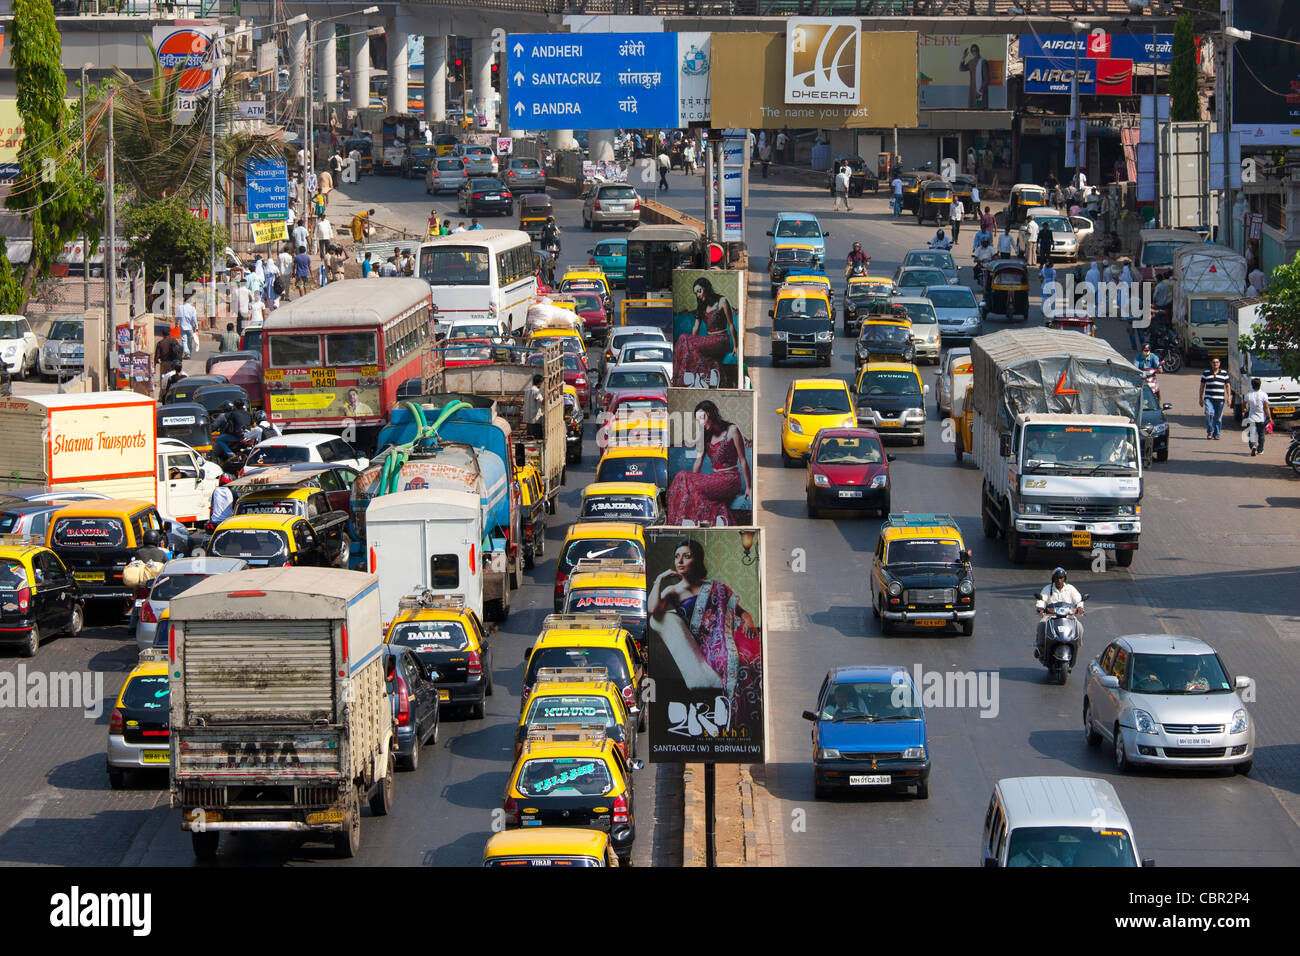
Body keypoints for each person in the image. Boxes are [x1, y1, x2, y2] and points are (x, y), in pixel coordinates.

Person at [648, 539, 761, 726]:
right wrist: (659, 580)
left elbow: (741, 612)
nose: (680, 561)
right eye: (677, 557)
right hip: (710, 643)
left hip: (733, 632)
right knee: (731, 660)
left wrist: (748, 621)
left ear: (697, 560)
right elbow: (653, 610)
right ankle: (738, 718)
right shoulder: (673, 591)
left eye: (686, 556)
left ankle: (757, 716)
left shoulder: (716, 586)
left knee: (755, 656)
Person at [666, 400, 752, 526]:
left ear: (711, 414)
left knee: (684, 477)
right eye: (698, 420)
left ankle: (683, 522)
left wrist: (749, 487)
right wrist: (693, 482)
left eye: (703, 418)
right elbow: (699, 460)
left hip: (730, 479)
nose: (700, 423)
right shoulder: (704, 435)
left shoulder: (732, 430)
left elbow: (743, 460)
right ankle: (679, 524)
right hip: (714, 477)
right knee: (682, 476)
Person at [674, 276, 736, 388]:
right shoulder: (701, 306)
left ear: (706, 288)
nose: (698, 295)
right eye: (696, 293)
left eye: (699, 291)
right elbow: (695, 328)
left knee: (685, 339)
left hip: (721, 340)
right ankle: (684, 380)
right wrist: (691, 343)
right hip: (709, 340)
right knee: (684, 339)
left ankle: (680, 380)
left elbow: (731, 324)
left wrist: (736, 346)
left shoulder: (722, 301)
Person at [1034, 567, 1084, 659]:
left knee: (1079, 627)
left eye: (1061, 578)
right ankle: (1040, 648)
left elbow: (1078, 599)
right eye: (1057, 578)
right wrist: (1040, 607)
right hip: (1050, 616)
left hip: (1068, 617)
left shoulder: (1070, 589)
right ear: (1054, 579)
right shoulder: (1048, 589)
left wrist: (1080, 607)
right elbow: (1042, 599)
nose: (1059, 580)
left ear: (1064, 578)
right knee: (1041, 625)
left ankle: (1076, 646)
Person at [1199, 356, 1232, 440]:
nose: (1215, 364)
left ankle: (1217, 434)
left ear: (1219, 363)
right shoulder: (1206, 373)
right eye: (1213, 362)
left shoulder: (1224, 373)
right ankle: (1210, 431)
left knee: (1218, 418)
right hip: (1208, 398)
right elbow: (1202, 386)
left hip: (1220, 399)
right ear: (1211, 363)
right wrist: (1200, 398)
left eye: (1217, 362)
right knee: (1208, 414)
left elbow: (1227, 386)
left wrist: (1229, 397)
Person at [1244, 377, 1273, 456]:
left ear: (1252, 385)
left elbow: (1244, 405)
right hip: (1261, 418)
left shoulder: (1248, 395)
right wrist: (1269, 418)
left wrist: (1244, 410)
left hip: (1251, 418)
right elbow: (1266, 408)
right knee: (1261, 434)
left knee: (1251, 434)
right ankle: (1260, 449)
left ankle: (1253, 445)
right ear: (1260, 385)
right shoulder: (1264, 395)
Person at [960, 42, 990, 109]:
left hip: (980, 92)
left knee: (979, 108)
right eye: (973, 51)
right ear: (971, 52)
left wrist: (980, 91)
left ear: (978, 50)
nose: (975, 52)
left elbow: (987, 80)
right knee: (973, 109)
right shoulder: (971, 62)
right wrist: (963, 58)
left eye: (976, 50)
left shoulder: (983, 62)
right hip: (972, 91)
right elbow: (961, 69)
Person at [523, 374, 544, 439]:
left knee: (530, 439)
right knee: (537, 439)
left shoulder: (527, 390)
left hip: (528, 419)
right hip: (535, 420)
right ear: (540, 382)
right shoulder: (536, 391)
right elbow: (542, 402)